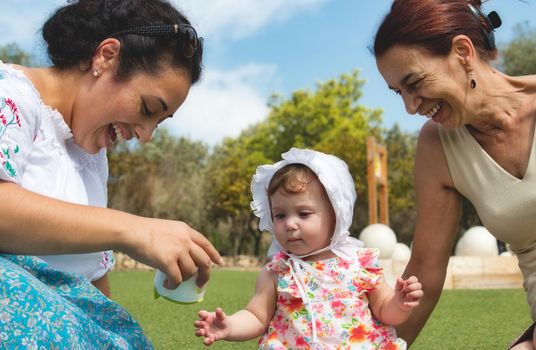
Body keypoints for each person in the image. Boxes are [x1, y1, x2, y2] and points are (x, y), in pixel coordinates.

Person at [0, 0, 222, 347]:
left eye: (158, 124)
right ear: (106, 57)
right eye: (148, 108)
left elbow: (92, 278)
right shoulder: (9, 95)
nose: (145, 135)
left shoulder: (92, 155)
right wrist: (133, 229)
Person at [373, 0, 536, 348]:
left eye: (414, 83)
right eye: (399, 92)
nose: (410, 106)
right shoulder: (437, 146)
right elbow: (425, 276)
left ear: (463, 52)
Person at [194, 148, 423, 349]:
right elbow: (256, 315)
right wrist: (230, 325)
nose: (290, 224)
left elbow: (385, 310)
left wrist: (399, 304)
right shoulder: (277, 270)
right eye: (280, 215)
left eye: (303, 214)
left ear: (336, 216)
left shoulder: (359, 263)